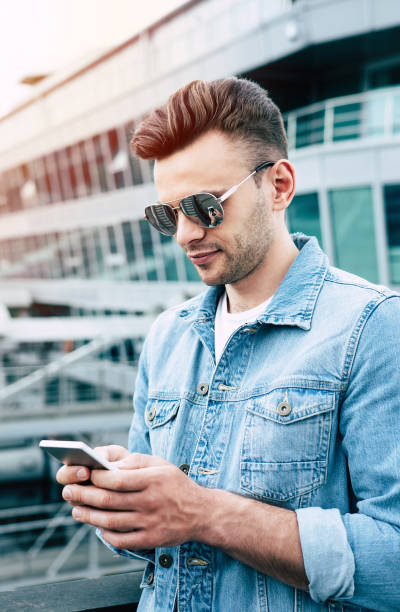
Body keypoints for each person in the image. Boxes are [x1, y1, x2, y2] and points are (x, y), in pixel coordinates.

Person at [57, 78, 400, 612]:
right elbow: (157, 546)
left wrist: (203, 512)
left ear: (279, 186)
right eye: (168, 214)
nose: (185, 234)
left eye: (205, 205)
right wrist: (121, 502)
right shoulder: (167, 338)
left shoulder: (375, 327)